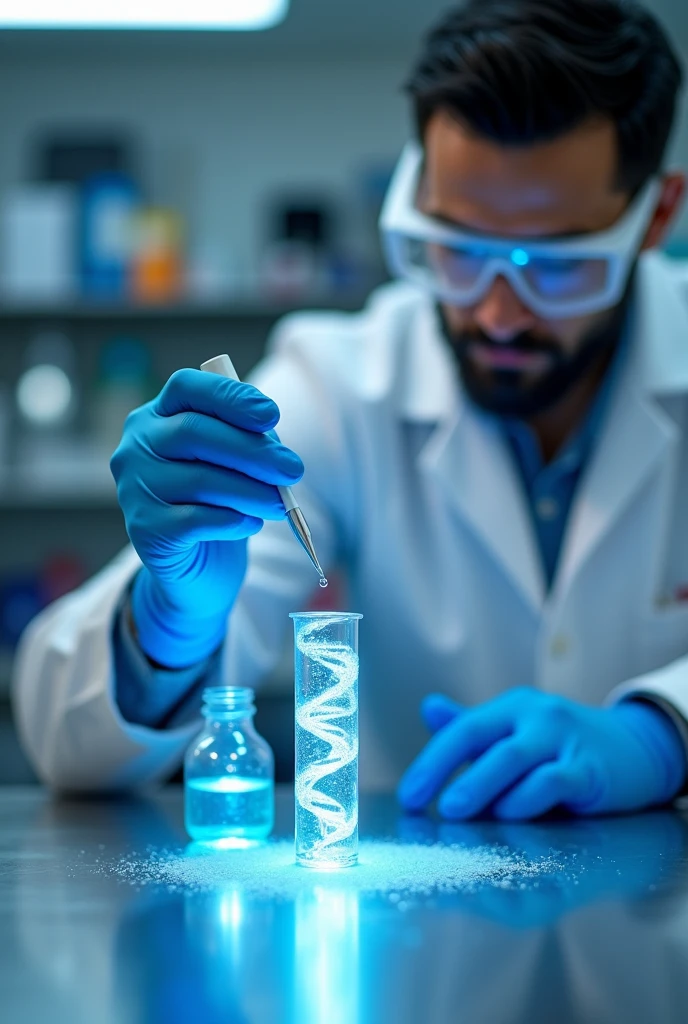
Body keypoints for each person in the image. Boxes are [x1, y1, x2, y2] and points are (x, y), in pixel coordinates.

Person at [12, 0, 688, 819]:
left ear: (655, 215)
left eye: (557, 268)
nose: (498, 313)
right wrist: (166, 623)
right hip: (417, 939)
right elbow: (63, 740)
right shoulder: (338, 382)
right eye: (459, 251)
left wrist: (662, 732)